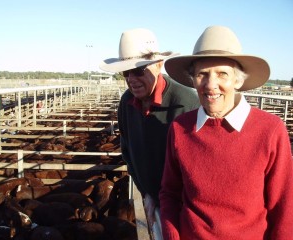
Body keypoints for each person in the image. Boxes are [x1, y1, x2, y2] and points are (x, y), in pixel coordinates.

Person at [159, 25, 293, 239]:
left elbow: (284, 206)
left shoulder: (270, 129)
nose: (211, 85)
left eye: (222, 74)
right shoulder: (180, 128)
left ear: (238, 80)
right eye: (202, 74)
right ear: (192, 79)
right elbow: (170, 192)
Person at [99, 28, 200, 234]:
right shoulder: (126, 102)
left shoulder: (187, 103)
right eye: (125, 72)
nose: (131, 79)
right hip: (155, 201)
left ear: (159, 64)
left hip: (184, 208)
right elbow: (127, 151)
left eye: (138, 70)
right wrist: (146, 192)